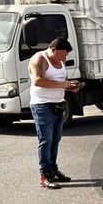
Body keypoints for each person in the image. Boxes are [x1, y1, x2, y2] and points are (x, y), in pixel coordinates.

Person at [29, 37, 81, 189]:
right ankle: (45, 176)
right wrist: (63, 84)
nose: (64, 59)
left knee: (55, 140)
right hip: (42, 105)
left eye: (66, 56)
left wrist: (71, 86)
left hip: (58, 104)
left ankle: (53, 170)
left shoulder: (60, 61)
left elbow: (61, 82)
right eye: (63, 55)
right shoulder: (39, 58)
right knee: (46, 141)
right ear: (53, 50)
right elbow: (37, 80)